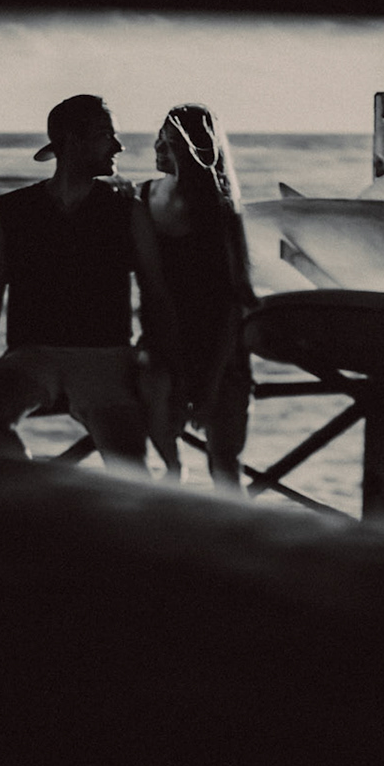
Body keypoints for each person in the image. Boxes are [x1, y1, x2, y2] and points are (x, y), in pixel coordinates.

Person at [0, 94, 179, 475]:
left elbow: (156, 292)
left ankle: (127, 532)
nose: (119, 146)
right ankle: (34, 507)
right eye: (107, 135)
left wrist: (165, 366)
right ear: (73, 140)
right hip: (31, 356)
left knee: (131, 471)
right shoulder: (13, 210)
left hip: (105, 357)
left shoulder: (126, 208)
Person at [137, 103, 258, 490]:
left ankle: (233, 543)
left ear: (195, 150)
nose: (158, 146)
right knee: (163, 460)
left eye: (170, 141)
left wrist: (208, 384)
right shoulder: (139, 199)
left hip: (220, 353)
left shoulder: (220, 212)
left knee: (225, 465)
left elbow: (232, 304)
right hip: (162, 349)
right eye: (160, 136)